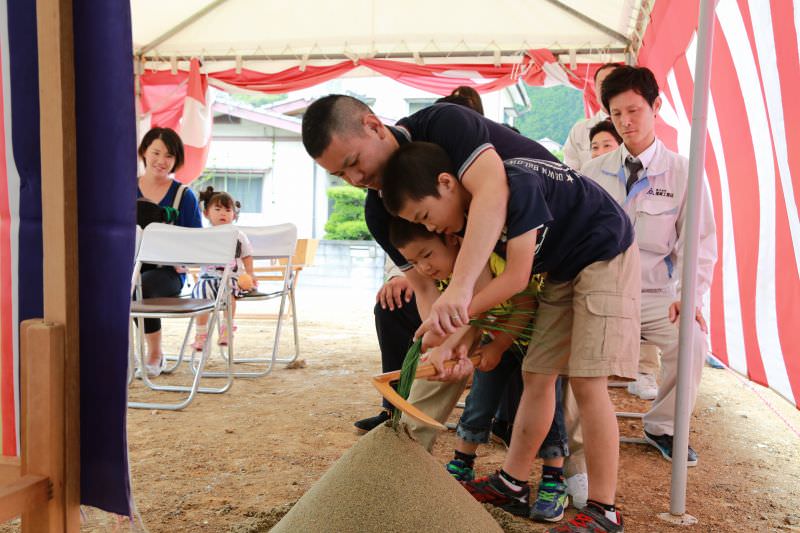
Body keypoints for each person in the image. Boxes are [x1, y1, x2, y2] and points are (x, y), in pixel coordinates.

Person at [382, 141, 640, 533]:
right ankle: (511, 482)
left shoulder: (516, 185)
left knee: (588, 382)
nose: (432, 228)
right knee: (537, 374)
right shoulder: (469, 219)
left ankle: (605, 511)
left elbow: (516, 278)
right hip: (562, 270)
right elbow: (483, 299)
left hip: (604, 253)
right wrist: (457, 341)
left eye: (426, 216)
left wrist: (450, 318)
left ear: (447, 183)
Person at [301, 95, 558, 443]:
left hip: (553, 255)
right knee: (436, 350)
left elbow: (491, 193)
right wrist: (443, 345)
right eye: (340, 174)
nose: (355, 178)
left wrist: (459, 294)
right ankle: (406, 451)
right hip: (490, 278)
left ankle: (569, 468)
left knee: (550, 366)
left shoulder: (446, 125)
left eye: (353, 162)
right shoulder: (378, 211)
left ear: (373, 125)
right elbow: (425, 290)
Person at [388, 217, 570, 523]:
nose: (424, 268)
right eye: (413, 262)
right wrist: (440, 347)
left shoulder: (494, 262)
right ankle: (462, 462)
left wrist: (498, 346)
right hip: (494, 337)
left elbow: (526, 305)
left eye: (427, 255)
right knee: (479, 398)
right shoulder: (449, 280)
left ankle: (554, 478)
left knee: (546, 405)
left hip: (538, 341)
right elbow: (469, 319)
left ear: (454, 240)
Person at [580, 65, 717, 466]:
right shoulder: (592, 173)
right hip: (602, 292)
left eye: (634, 111)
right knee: (571, 353)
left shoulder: (684, 170)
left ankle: (664, 426)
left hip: (655, 294)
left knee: (690, 338)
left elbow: (699, 241)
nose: (625, 122)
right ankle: (570, 443)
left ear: (656, 106)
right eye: (617, 113)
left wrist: (689, 297)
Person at [136, 127, 202, 377]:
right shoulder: (124, 190)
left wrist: (182, 259)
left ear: (176, 161)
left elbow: (196, 240)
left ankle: (155, 354)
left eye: (169, 156)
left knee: (140, 288)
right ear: (144, 152)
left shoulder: (184, 196)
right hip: (128, 268)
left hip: (169, 272)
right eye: (156, 152)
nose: (161, 161)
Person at [190, 187, 257, 349]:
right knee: (201, 299)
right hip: (207, 278)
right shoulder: (203, 235)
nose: (223, 213)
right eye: (217, 209)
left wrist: (250, 273)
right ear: (206, 213)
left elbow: (247, 255)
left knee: (230, 297)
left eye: (228, 210)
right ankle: (201, 335)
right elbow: (193, 255)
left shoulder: (238, 234)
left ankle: (226, 330)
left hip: (231, 278)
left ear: (234, 215)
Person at [563, 63, 622, 170]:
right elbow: (570, 173)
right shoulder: (578, 131)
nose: (609, 88)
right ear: (594, 88)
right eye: (603, 84)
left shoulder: (636, 127)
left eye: (614, 82)